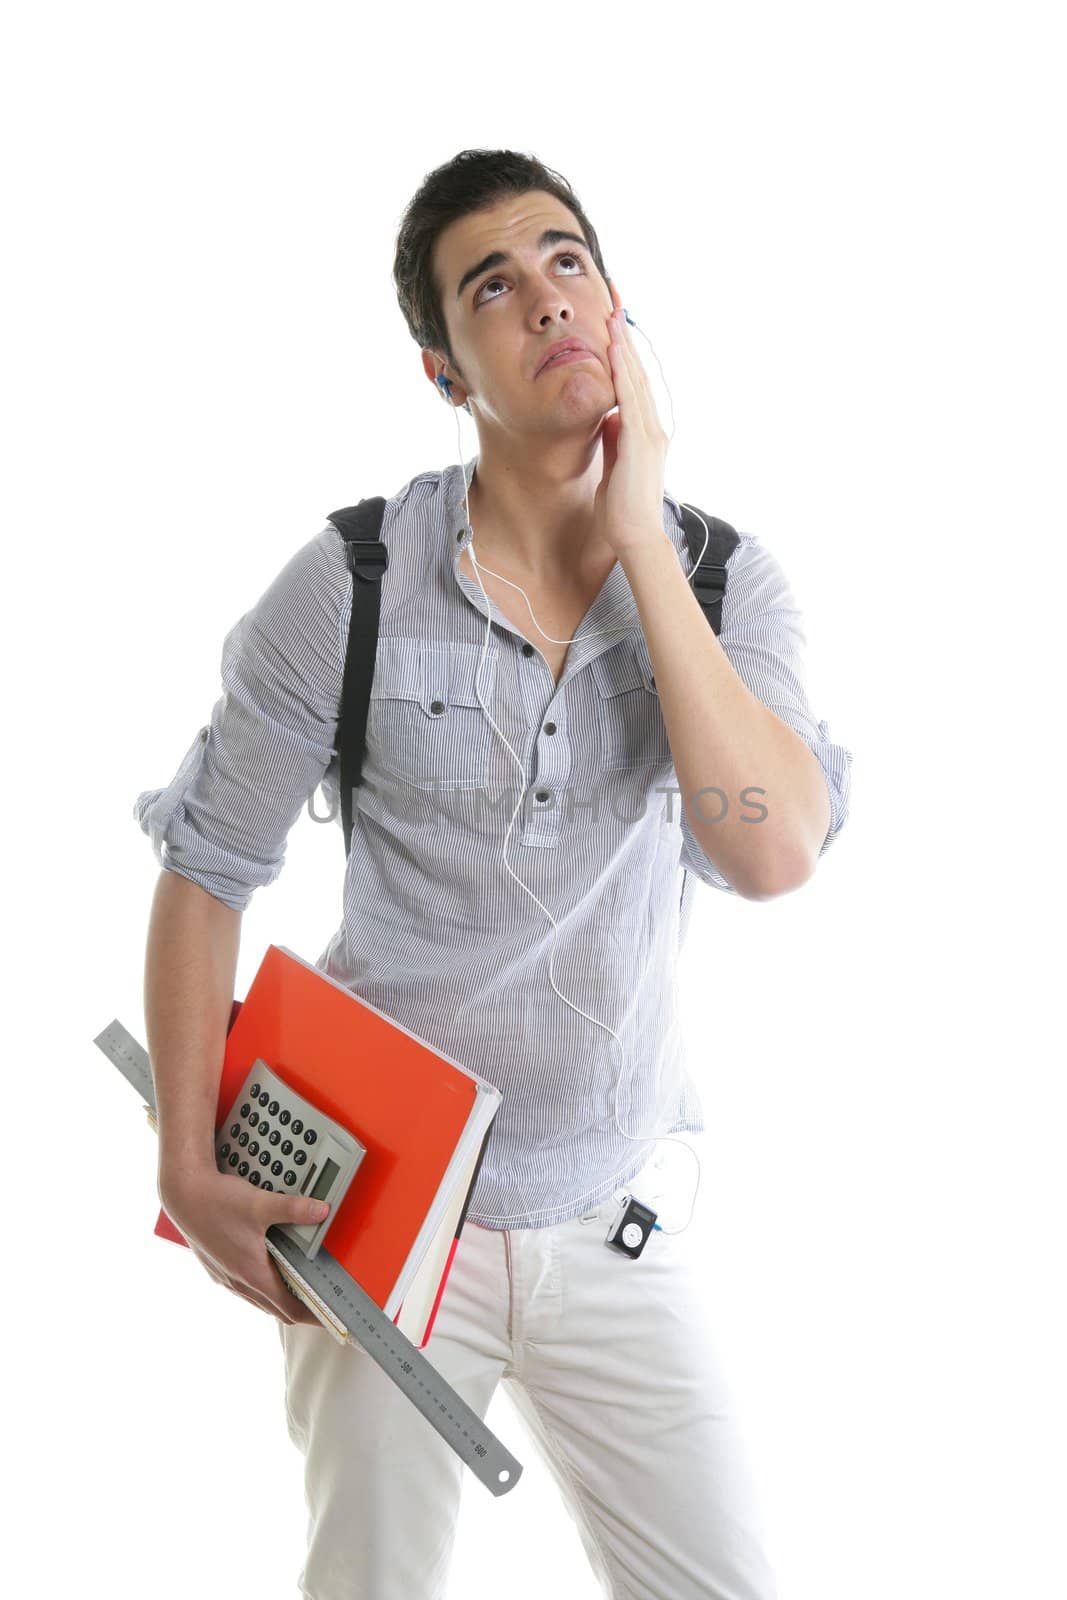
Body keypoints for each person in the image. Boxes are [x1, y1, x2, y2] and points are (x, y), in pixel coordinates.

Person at [137, 148, 852, 1600]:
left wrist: (639, 535)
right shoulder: (347, 586)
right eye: (495, 286)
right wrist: (187, 1154)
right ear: (442, 369)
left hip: (611, 1214)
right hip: (383, 1219)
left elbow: (769, 849)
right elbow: (208, 870)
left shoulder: (724, 584)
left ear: (620, 306)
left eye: (569, 260)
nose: (548, 299)